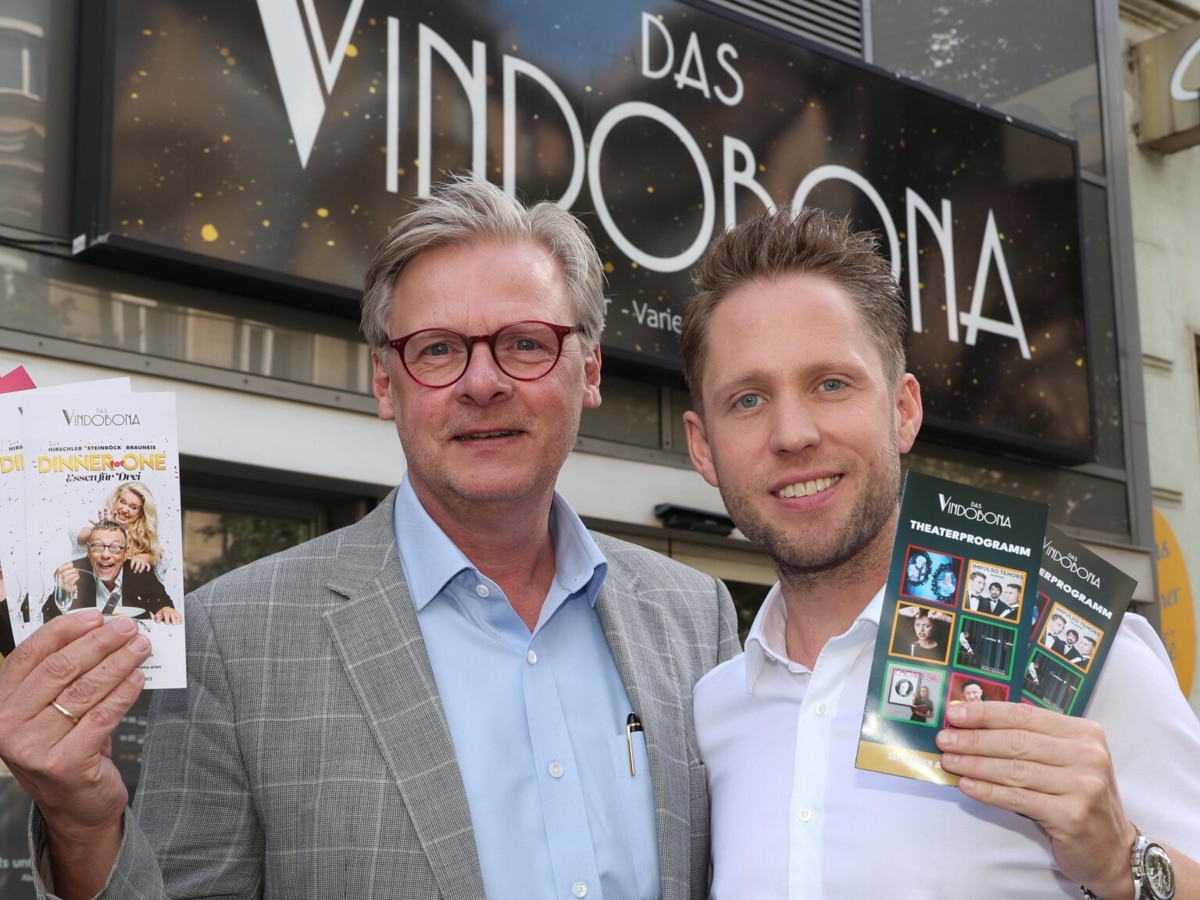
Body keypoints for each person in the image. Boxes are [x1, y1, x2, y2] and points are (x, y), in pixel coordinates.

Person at [0, 177, 740, 900]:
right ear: (387, 384)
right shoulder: (237, 639)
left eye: (525, 343)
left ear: (590, 370)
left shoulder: (693, 617)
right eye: (438, 350)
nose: (483, 382)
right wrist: (82, 828)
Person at [680, 205, 1200, 898]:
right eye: (747, 400)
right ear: (701, 446)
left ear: (903, 411)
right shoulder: (714, 712)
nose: (793, 433)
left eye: (831, 384)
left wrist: (1122, 864)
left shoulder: (1085, 662)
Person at [42, 520, 180, 625]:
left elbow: (160, 600)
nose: (106, 555)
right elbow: (48, 618)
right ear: (88, 550)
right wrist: (62, 592)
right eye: (98, 546)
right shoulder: (76, 573)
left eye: (115, 547)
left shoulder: (138, 572)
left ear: (126, 553)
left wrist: (165, 609)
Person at [76, 481, 164, 574]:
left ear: (141, 513)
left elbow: (159, 556)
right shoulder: (99, 520)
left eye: (133, 507)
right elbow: (79, 537)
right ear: (116, 500)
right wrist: (99, 529)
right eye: (122, 502)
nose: (125, 510)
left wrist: (144, 557)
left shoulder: (142, 534)